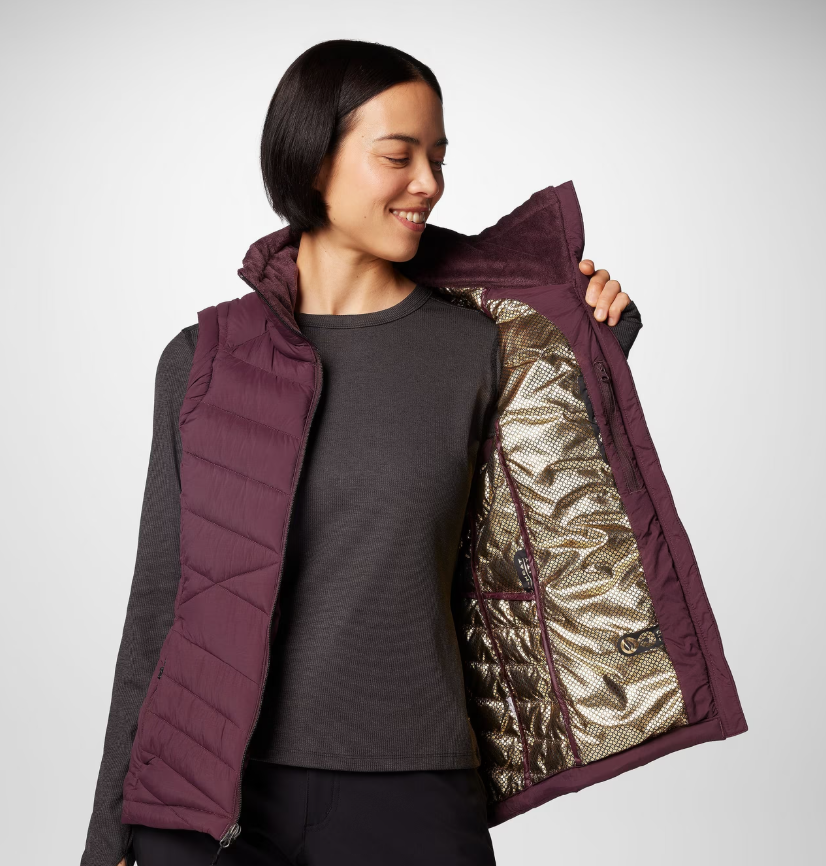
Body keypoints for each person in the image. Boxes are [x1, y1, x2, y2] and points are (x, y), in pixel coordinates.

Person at [80, 39, 642, 866]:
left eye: (438, 157)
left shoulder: (479, 350)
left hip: (410, 789)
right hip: (207, 799)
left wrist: (594, 348)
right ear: (314, 163)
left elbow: (552, 522)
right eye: (398, 155)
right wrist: (107, 841)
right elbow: (157, 608)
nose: (429, 183)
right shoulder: (200, 361)